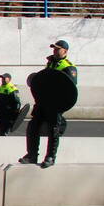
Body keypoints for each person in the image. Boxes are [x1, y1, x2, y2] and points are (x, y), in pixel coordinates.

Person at [19, 40, 77, 168]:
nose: (55, 51)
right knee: (33, 126)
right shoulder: (50, 64)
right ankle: (32, 155)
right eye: (54, 49)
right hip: (43, 102)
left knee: (53, 129)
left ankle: (50, 157)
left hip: (55, 104)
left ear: (65, 51)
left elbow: (70, 88)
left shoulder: (68, 67)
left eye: (58, 49)